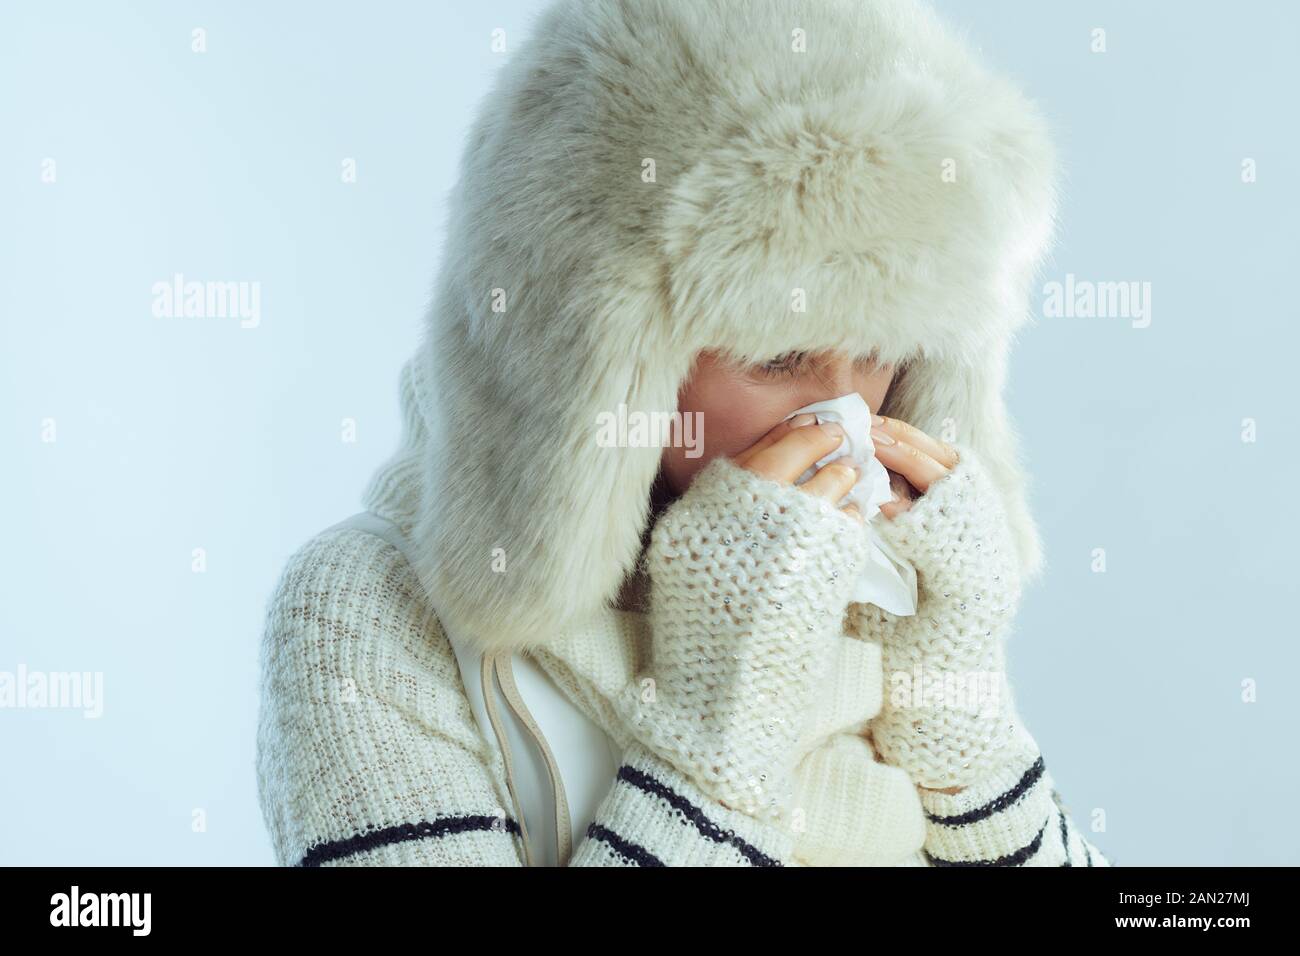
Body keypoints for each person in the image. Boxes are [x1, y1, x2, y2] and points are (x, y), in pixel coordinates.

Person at [256, 0, 1115, 867]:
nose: (846, 420)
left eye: (885, 354)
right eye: (778, 356)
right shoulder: (365, 609)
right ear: (589, 353)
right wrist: (717, 735)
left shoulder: (885, 583)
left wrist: (961, 729)